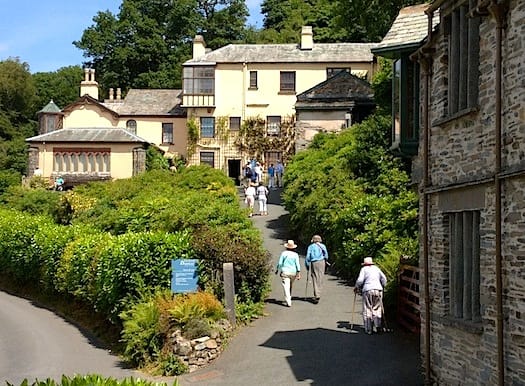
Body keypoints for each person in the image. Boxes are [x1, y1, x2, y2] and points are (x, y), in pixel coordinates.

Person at [354, 256, 387, 335]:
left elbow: (360, 280)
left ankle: (369, 329)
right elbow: (384, 278)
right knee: (377, 308)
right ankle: (378, 326)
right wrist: (383, 286)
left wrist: (356, 287)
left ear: (364, 264)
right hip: (378, 290)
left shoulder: (364, 269)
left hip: (367, 290)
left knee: (367, 308)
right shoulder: (376, 268)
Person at [275, 240, 301, 307]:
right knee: (290, 285)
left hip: (285, 272)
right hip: (293, 272)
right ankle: (289, 297)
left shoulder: (284, 253)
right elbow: (297, 265)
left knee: (286, 286)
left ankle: (288, 300)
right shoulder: (295, 255)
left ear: (286, 247)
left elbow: (280, 263)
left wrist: (278, 269)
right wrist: (298, 273)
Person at [305, 234, 329, 304]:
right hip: (322, 262)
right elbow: (326, 255)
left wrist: (307, 265)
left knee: (315, 277)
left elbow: (307, 257)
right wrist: (326, 260)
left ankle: (317, 294)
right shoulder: (323, 246)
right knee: (320, 277)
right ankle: (318, 292)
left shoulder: (311, 247)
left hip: (314, 262)